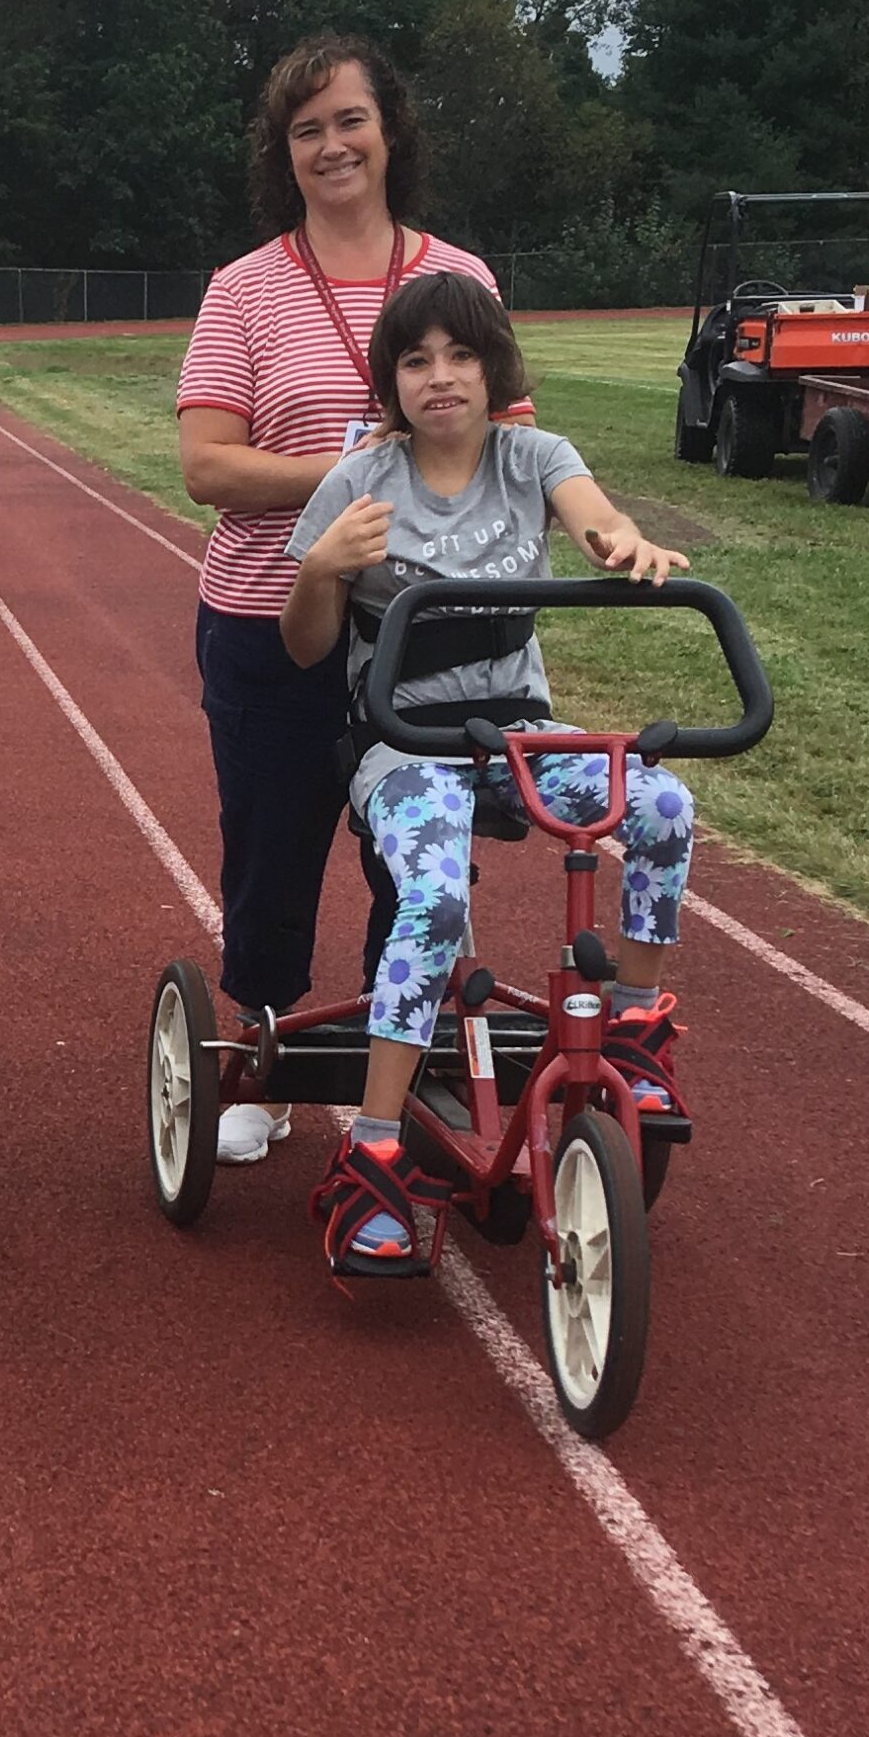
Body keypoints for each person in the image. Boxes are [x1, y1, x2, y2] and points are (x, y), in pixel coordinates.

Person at [281, 274, 695, 1269]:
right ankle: (374, 1145)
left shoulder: (532, 457)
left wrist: (620, 540)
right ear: (390, 380)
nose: (441, 376)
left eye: (461, 355)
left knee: (661, 802)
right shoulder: (359, 481)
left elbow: (592, 518)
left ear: (492, 368)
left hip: (519, 736)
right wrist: (321, 567)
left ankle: (633, 1033)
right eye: (417, 359)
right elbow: (304, 648)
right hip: (405, 743)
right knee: (430, 897)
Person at [177, 33, 510, 1164]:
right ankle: (265, 1061)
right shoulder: (244, 288)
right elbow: (207, 466)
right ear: (284, 153)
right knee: (272, 851)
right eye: (306, 129)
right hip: (268, 622)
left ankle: (392, 1064)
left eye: (349, 120)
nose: (331, 145)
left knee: (419, 865)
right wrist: (353, 476)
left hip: (424, 639)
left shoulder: (460, 279)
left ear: (389, 131)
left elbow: (508, 441)